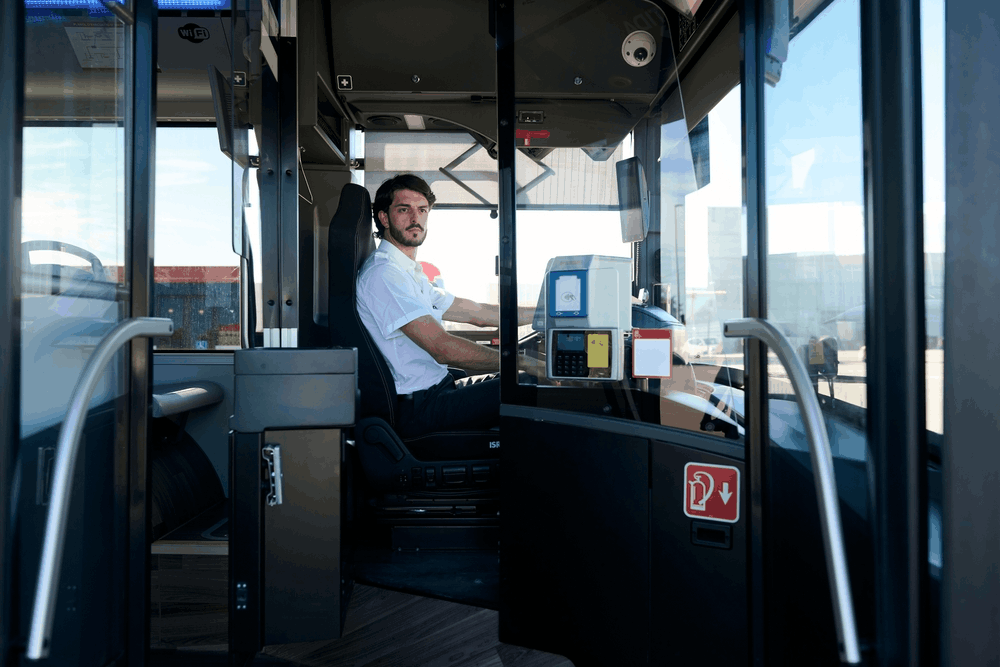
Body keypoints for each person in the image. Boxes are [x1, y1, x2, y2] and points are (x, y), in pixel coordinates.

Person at [356, 174, 534, 438]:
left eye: (422, 210)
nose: (415, 218)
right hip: (420, 407)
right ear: (384, 218)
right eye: (404, 210)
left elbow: (477, 313)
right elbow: (441, 347)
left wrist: (546, 314)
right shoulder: (384, 274)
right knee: (531, 388)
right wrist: (521, 362)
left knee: (527, 382)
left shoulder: (406, 272)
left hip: (437, 390)